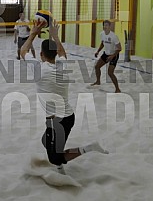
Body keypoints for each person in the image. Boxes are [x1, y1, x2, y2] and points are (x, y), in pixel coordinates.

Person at [21, 19, 108, 174]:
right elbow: (62, 53)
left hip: (58, 121)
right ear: (56, 54)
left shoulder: (39, 70)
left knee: (54, 157)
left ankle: (89, 148)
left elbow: (23, 52)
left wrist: (33, 33)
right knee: (45, 141)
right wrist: (55, 36)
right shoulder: (62, 66)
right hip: (67, 117)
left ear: (41, 54)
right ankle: (60, 167)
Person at [91, 20, 122, 93]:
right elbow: (102, 43)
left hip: (114, 55)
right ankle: (98, 81)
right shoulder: (102, 34)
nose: (105, 27)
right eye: (104, 25)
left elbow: (119, 48)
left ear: (110, 26)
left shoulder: (114, 36)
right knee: (97, 67)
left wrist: (112, 56)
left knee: (110, 73)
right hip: (106, 54)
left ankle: (117, 89)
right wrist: (98, 51)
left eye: (107, 25)